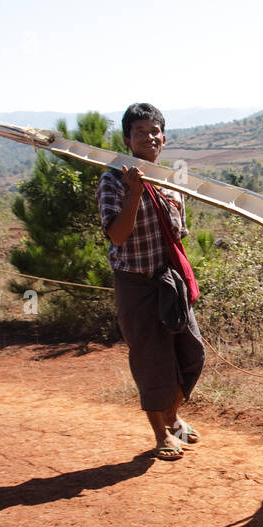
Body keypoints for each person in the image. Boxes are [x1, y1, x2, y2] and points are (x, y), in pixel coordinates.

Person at [97, 103, 205, 460]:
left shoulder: (172, 183)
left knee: (191, 354)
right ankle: (161, 435)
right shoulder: (113, 179)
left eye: (155, 131)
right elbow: (117, 235)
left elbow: (179, 235)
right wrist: (135, 194)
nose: (149, 137)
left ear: (164, 137)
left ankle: (173, 416)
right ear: (128, 139)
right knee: (151, 358)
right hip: (136, 282)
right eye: (140, 132)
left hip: (169, 279)